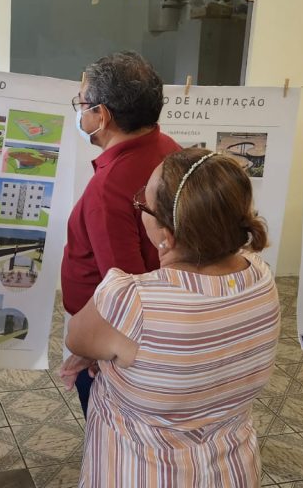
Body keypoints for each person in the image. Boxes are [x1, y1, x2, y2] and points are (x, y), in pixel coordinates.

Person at [63, 148, 281, 487]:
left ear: (166, 235)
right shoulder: (261, 277)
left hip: (140, 472)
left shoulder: (131, 300)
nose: (140, 209)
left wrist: (104, 354)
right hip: (233, 468)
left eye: (143, 204)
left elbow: (77, 339)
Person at [60, 51, 181, 415]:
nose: (79, 111)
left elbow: (123, 291)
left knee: (111, 429)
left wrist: (91, 351)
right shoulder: (170, 150)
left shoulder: (109, 187)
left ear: (103, 116)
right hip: (162, 323)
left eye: (82, 103)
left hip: (114, 344)